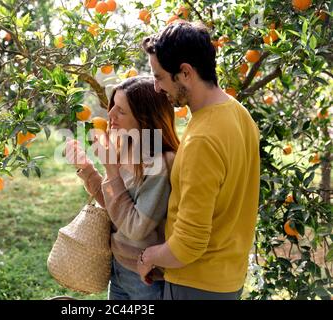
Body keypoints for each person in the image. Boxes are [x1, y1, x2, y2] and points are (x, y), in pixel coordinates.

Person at [137, 21, 261, 300]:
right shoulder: (239, 114)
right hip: (227, 279)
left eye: (159, 77)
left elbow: (188, 246)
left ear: (185, 73)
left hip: (195, 284)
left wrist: (149, 256)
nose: (156, 88)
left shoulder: (202, 139)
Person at [65, 76, 179, 300]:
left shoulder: (161, 163)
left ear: (144, 118)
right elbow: (114, 208)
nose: (111, 115)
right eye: (113, 106)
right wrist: (86, 168)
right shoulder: (126, 146)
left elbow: (136, 227)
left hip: (145, 278)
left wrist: (111, 170)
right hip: (118, 270)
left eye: (121, 111)